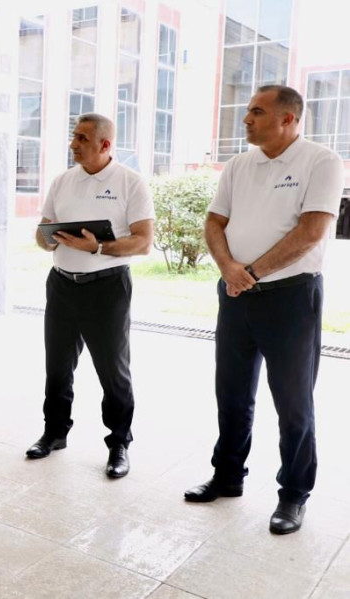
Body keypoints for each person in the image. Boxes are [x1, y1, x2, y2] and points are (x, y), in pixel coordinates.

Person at [184, 85, 343, 535]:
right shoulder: (239, 164)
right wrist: (229, 270)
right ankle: (228, 476)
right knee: (232, 393)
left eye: (256, 111)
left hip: (291, 298)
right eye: (248, 111)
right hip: (235, 296)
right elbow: (214, 221)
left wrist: (249, 272)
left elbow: (312, 232)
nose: (246, 119)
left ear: (288, 119)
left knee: (294, 403)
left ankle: (293, 494)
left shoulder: (321, 162)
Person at [25, 113, 154, 478]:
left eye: (82, 138)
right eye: (73, 136)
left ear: (105, 144)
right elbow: (41, 234)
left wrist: (97, 247)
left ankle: (119, 444)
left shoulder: (130, 182)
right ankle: (54, 433)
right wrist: (49, 238)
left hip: (107, 288)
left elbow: (143, 242)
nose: (73, 144)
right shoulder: (62, 181)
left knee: (113, 371)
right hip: (62, 285)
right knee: (57, 366)